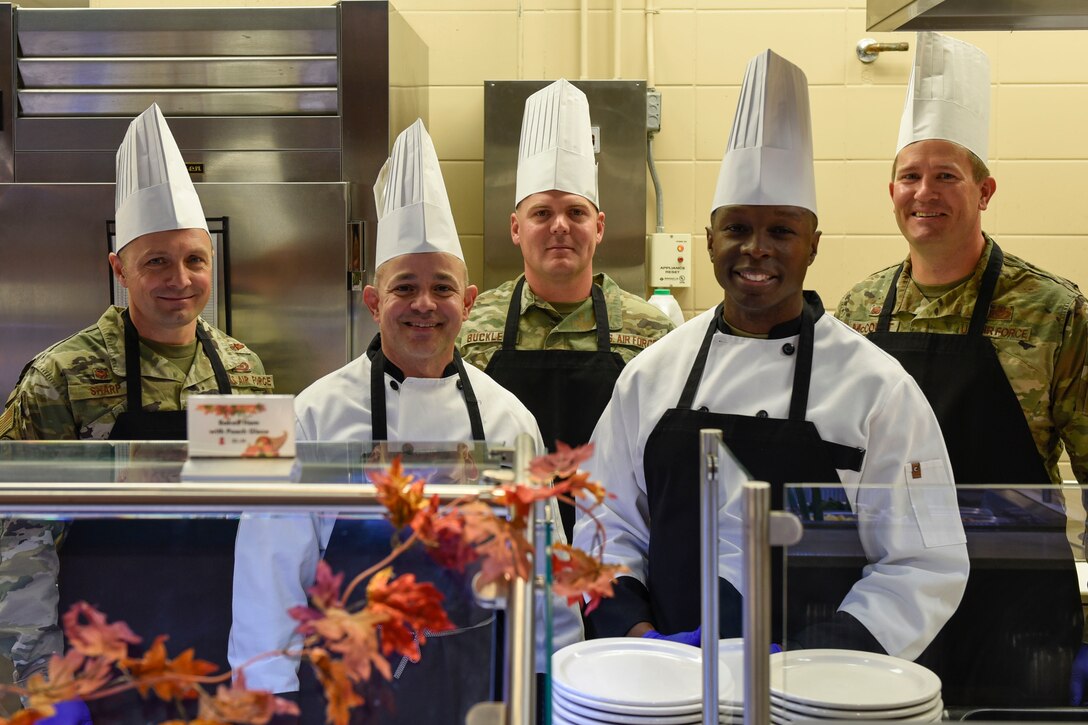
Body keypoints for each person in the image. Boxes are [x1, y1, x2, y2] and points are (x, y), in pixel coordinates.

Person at [573, 49, 969, 663]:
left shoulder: (875, 387)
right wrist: (639, 640)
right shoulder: (650, 375)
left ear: (813, 244)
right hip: (667, 681)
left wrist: (818, 661)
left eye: (781, 231)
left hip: (819, 693)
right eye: (737, 229)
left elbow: (923, 561)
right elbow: (606, 529)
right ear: (710, 240)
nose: (756, 250)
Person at [230, 120, 581, 725]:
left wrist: (560, 676)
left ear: (467, 302)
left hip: (479, 684)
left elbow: (542, 565)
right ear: (373, 302)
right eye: (405, 288)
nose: (424, 304)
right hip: (344, 689)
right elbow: (271, 567)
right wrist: (268, 693)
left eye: (441, 287)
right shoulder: (315, 413)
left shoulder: (506, 416)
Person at [836, 32, 1087, 707]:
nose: (926, 192)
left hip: (1016, 596)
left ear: (985, 189)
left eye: (946, 174)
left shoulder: (1053, 309)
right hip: (888, 592)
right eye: (911, 175)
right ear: (891, 188)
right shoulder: (857, 307)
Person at [0, 103, 271, 719]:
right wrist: (40, 669)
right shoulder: (59, 377)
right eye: (156, 261)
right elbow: (17, 535)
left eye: (194, 259)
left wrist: (268, 638)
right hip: (96, 655)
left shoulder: (243, 368)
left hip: (219, 641)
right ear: (119, 267)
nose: (180, 278)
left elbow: (265, 512)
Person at [457, 79, 674, 541]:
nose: (559, 227)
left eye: (575, 213)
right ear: (516, 228)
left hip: (618, 549)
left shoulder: (651, 330)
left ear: (598, 227)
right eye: (541, 214)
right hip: (498, 545)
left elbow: (664, 457)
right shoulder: (470, 325)